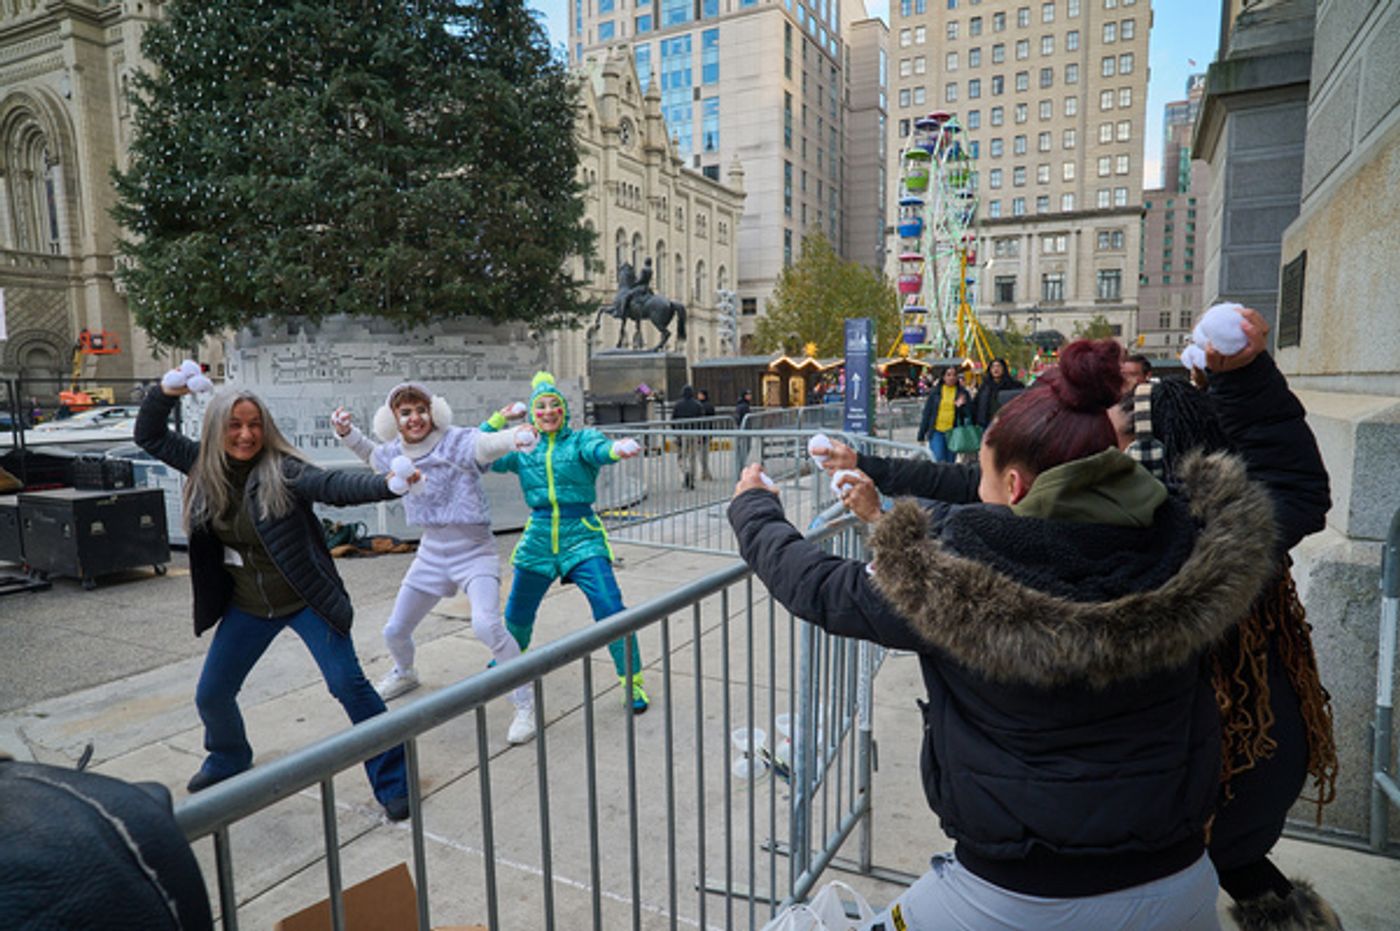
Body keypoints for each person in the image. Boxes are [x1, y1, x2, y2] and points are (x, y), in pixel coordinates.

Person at [730, 340, 1280, 930]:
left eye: (983, 480)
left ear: (1016, 488)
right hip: (1180, 886)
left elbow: (818, 586)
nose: (976, 493)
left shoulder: (954, 578)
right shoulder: (1192, 547)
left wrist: (754, 510)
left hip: (1013, 897)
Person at [1110, 309, 1341, 929]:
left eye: (1122, 439)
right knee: (1242, 863)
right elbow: (1293, 482)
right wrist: (1243, 376)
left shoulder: (1156, 558)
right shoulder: (1243, 539)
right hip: (1257, 783)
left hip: (1199, 797)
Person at [134, 373, 411, 819]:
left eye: (255, 425)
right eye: (235, 425)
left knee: (349, 686)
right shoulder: (203, 464)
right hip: (248, 606)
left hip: (305, 601)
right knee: (212, 694)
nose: (246, 435)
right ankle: (229, 756)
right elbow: (148, 434)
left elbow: (332, 486)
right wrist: (165, 394)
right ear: (217, 428)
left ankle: (395, 782)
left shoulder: (282, 470)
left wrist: (387, 486)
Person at [331, 383, 541, 745]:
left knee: (487, 626)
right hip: (431, 552)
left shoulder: (456, 441)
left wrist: (516, 436)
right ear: (394, 420)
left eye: (420, 409)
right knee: (394, 631)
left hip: (474, 550)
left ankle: (524, 701)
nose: (415, 418)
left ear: (434, 411)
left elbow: (485, 444)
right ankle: (405, 672)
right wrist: (347, 433)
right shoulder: (395, 451)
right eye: (405, 412)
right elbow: (371, 455)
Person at [490, 372, 650, 712]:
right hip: (539, 536)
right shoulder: (522, 447)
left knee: (610, 606)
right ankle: (507, 663)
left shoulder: (579, 440)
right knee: (518, 610)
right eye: (541, 407)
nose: (548, 412)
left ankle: (633, 682)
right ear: (532, 413)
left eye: (554, 406)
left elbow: (597, 449)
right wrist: (500, 419)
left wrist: (615, 449)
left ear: (564, 411)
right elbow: (481, 451)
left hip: (582, 534)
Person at [915, 365, 970, 463]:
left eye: (954, 375)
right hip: (937, 431)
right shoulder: (935, 392)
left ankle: (949, 478)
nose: (951, 378)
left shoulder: (962, 393)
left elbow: (968, 414)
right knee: (938, 458)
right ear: (943, 377)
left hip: (953, 433)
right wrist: (921, 434)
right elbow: (927, 413)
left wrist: (961, 406)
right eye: (948, 375)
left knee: (950, 461)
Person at [970, 358, 1023, 428]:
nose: (996, 369)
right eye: (993, 367)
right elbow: (976, 406)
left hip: (1007, 426)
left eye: (998, 366)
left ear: (1004, 369)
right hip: (987, 426)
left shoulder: (1014, 386)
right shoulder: (984, 387)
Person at [672, 384, 706, 490]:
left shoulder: (677, 405)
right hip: (694, 434)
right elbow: (702, 420)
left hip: (682, 434)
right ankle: (692, 478)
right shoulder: (697, 405)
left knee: (681, 457)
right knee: (693, 457)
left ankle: (685, 472)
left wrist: (676, 433)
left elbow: (673, 420)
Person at [696, 387, 716, 481]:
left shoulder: (700, 406)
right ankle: (705, 472)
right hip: (708, 432)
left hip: (701, 432)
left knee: (702, 455)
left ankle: (705, 472)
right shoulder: (710, 405)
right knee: (704, 454)